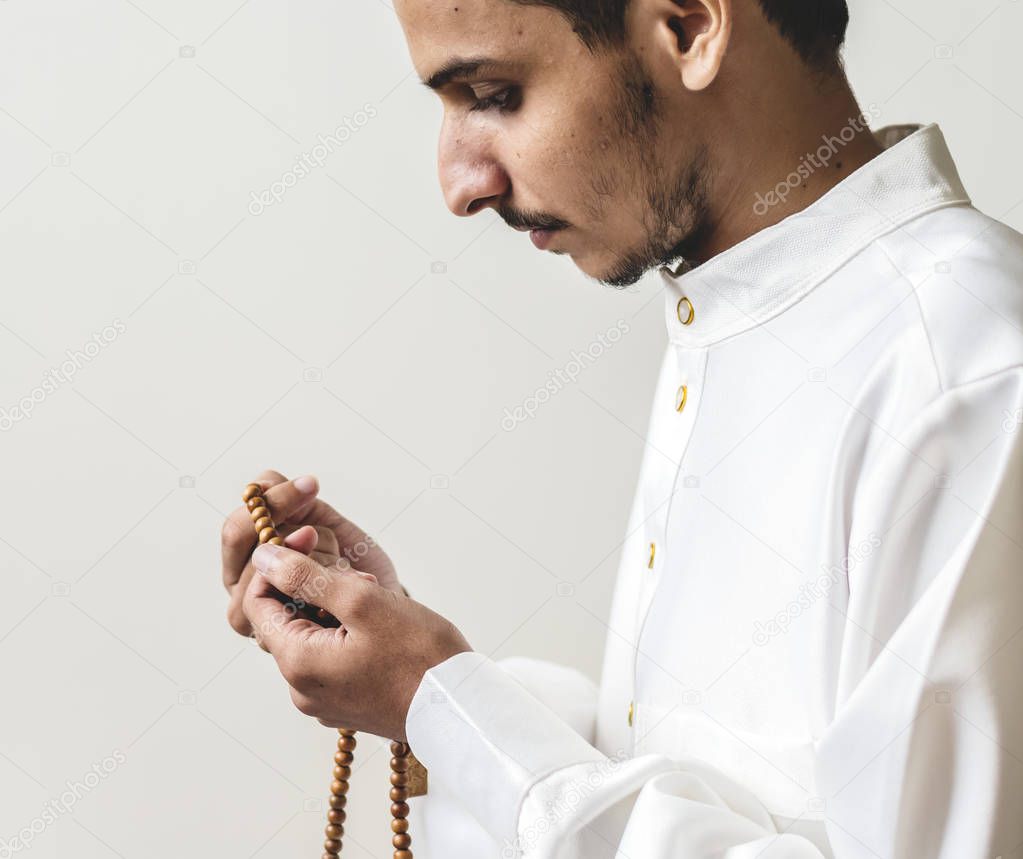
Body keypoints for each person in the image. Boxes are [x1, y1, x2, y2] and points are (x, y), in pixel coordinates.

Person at [220, 0, 1023, 855]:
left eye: (493, 93)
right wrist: (410, 668)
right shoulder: (735, 310)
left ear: (689, 26)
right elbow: (704, 775)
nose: (459, 184)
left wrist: (440, 701)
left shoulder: (967, 367)